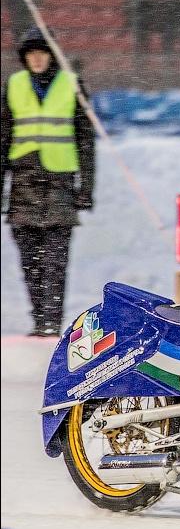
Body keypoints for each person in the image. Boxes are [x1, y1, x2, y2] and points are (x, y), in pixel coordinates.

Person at [1, 27, 95, 338]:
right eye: (30, 54)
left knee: (55, 260)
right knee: (30, 260)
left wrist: (86, 189)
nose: (36, 59)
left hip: (60, 184)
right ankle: (40, 318)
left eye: (42, 52)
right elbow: (3, 141)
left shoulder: (71, 84)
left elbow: (85, 141)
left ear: (52, 55)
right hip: (23, 184)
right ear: (24, 58)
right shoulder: (13, 85)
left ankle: (51, 321)